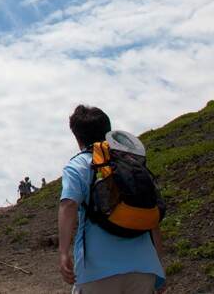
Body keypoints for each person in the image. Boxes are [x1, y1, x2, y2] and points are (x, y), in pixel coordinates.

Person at [58, 105, 166, 293]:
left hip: (97, 271)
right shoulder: (131, 163)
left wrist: (63, 252)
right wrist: (157, 265)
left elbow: (68, 205)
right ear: (107, 131)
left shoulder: (79, 164)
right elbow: (151, 216)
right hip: (144, 268)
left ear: (77, 138)